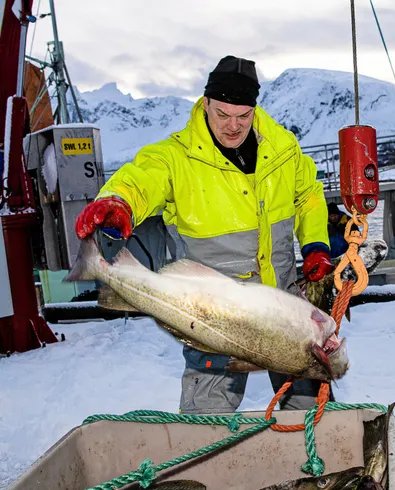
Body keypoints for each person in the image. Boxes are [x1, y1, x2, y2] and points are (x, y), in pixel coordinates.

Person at [74, 55, 334, 414]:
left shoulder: (283, 149)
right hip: (211, 310)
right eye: (223, 114)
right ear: (205, 103)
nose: (233, 126)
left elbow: (308, 195)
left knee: (312, 410)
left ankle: (315, 466)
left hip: (284, 302)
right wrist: (119, 201)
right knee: (205, 421)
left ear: (254, 109)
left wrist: (316, 245)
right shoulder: (176, 156)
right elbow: (142, 177)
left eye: (243, 116)